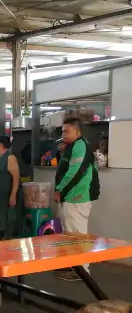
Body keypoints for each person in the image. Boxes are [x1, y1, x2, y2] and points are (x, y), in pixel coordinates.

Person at [55, 117, 100, 281]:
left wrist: (59, 189)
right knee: (71, 235)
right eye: (62, 131)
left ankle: (82, 270)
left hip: (77, 198)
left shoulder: (80, 146)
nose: (63, 134)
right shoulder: (73, 146)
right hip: (72, 198)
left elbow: (74, 172)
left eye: (67, 131)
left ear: (77, 132)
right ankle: (75, 267)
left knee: (78, 236)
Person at [0, 136, 22, 241]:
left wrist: (13, 195)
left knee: (7, 222)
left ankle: (7, 243)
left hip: (6, 196)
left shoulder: (10, 158)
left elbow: (16, 177)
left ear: (1, 145)